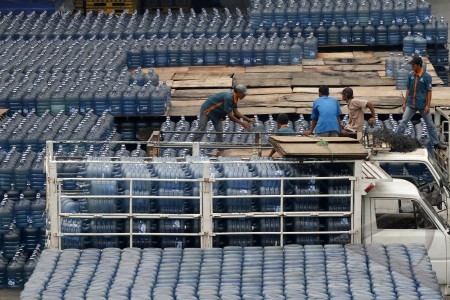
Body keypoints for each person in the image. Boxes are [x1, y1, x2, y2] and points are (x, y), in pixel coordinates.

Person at [396, 56, 446, 150]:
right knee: (403, 122)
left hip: (422, 105)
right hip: (411, 104)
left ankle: (435, 143)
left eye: (413, 65)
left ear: (419, 65)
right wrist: (404, 103)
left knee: (430, 124)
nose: (412, 67)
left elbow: (429, 92)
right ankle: (396, 140)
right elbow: (408, 89)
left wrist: (427, 105)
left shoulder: (427, 77)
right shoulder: (411, 75)